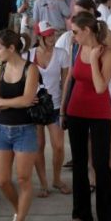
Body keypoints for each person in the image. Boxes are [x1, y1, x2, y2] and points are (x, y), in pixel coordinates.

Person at [64, 12, 111, 221]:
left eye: (76, 32)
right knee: (78, 164)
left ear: (87, 31)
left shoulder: (107, 53)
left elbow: (100, 87)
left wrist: (93, 63)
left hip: (99, 112)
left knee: (100, 165)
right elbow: (71, 78)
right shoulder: (77, 48)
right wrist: (63, 109)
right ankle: (81, 213)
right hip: (75, 110)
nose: (73, 36)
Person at [0, 30, 41, 221]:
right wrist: (9, 102)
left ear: (11, 48)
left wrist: (3, 102)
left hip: (25, 129)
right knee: (1, 180)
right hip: (2, 129)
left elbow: (28, 99)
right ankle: (18, 211)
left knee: (23, 179)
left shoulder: (31, 69)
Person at [30, 21, 72, 197]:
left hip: (55, 106)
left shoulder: (62, 54)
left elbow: (66, 83)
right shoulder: (29, 55)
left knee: (59, 146)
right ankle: (43, 184)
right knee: (38, 146)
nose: (51, 37)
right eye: (48, 35)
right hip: (35, 107)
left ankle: (56, 179)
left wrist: (63, 108)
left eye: (53, 34)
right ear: (39, 36)